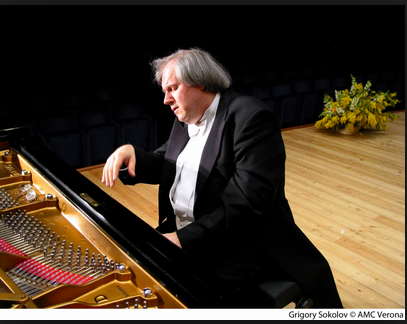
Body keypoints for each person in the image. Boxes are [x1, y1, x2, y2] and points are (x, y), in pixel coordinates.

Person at [101, 48, 343, 308]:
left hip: (237, 246)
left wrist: (183, 239)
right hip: (188, 235)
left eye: (172, 89)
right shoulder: (186, 117)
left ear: (201, 82)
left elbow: (247, 203)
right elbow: (169, 162)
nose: (165, 100)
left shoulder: (250, 118)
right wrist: (132, 154)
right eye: (164, 91)